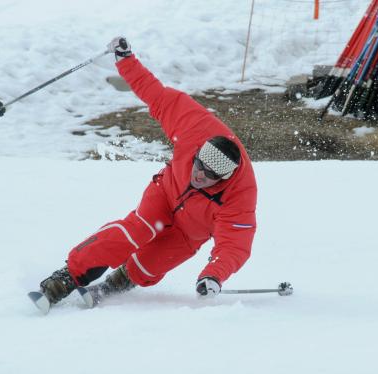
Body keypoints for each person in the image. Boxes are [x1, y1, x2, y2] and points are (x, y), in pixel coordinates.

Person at [37, 37, 257, 306]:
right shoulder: (196, 129)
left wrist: (213, 275)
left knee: (148, 266)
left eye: (209, 176)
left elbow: (235, 245)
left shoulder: (240, 195)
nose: (198, 175)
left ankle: (113, 285)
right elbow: (157, 95)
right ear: (198, 151)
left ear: (224, 179)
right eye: (198, 164)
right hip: (165, 193)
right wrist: (126, 60)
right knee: (135, 231)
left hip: (191, 233)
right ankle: (67, 277)